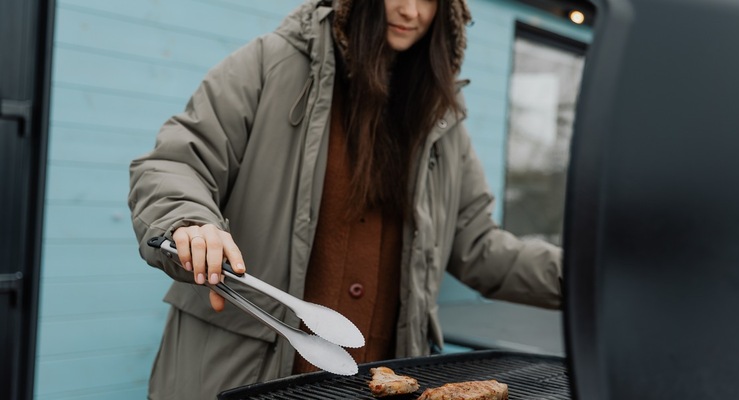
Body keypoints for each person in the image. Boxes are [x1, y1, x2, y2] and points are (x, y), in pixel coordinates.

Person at [128, 0, 562, 398]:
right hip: (241, 378)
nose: (411, 11)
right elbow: (175, 164)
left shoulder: (439, 116)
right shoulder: (270, 63)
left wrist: (586, 279)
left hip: (376, 383)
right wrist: (190, 224)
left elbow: (480, 247)